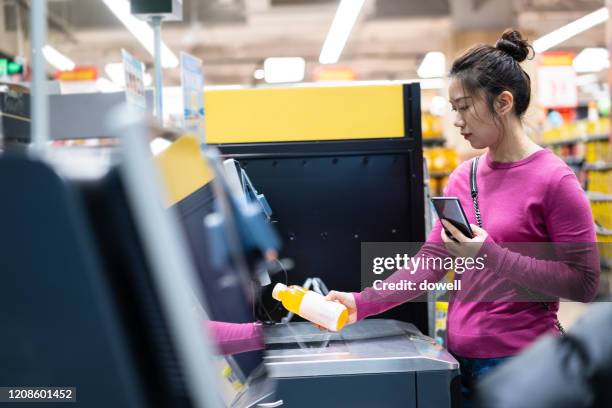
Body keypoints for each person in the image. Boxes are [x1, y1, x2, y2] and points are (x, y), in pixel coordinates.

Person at [325, 29, 600, 406]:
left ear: (502, 102)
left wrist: (489, 253)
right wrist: (363, 303)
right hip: (456, 359)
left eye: (464, 106)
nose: (456, 120)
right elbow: (432, 261)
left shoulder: (555, 181)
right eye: (453, 108)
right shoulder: (463, 176)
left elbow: (583, 284)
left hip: (524, 363)